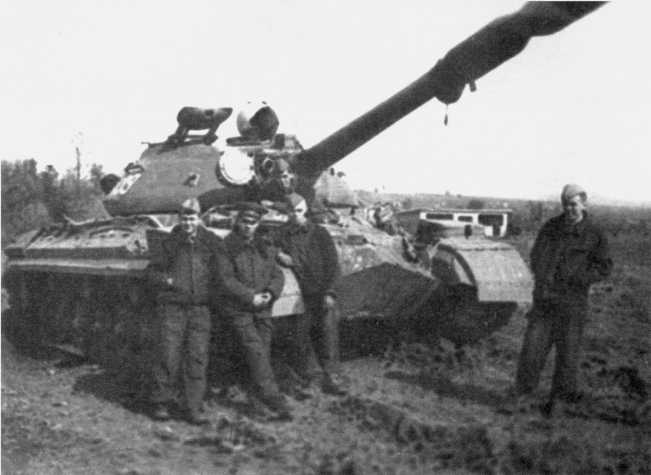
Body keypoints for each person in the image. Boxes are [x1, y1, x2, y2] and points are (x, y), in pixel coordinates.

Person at [514, 184, 612, 409]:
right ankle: (522, 397)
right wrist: (542, 275)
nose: (569, 209)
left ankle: (559, 403)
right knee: (531, 351)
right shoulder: (551, 227)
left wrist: (579, 278)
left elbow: (604, 267)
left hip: (572, 303)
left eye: (574, 204)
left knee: (567, 356)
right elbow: (536, 254)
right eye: (566, 204)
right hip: (545, 302)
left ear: (584, 204)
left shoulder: (594, 233)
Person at [148, 198, 222, 425]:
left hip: (200, 308)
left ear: (199, 218)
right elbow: (153, 271)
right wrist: (167, 280)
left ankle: (193, 408)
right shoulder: (169, 242)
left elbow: (222, 270)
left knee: (197, 358)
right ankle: (161, 402)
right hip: (173, 307)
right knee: (168, 354)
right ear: (179, 219)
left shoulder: (211, 241)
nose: (188, 222)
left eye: (192, 218)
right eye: (184, 218)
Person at [214, 202, 290, 418]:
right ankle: (273, 398)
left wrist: (270, 293)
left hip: (262, 308)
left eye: (253, 222)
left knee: (261, 351)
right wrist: (250, 297)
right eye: (245, 221)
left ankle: (254, 397)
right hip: (238, 309)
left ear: (258, 224)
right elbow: (225, 279)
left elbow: (277, 274)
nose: (248, 226)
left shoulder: (263, 245)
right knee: (255, 349)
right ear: (237, 221)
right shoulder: (226, 247)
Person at [276, 193, 346, 396]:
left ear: (305, 210)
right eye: (291, 211)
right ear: (286, 212)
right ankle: (312, 377)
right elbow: (268, 244)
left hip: (322, 290)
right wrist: (278, 254)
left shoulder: (319, 233)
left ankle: (332, 376)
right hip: (301, 293)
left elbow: (333, 264)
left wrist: (330, 292)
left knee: (328, 335)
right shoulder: (282, 233)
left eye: (298, 211)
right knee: (301, 337)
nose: (295, 215)